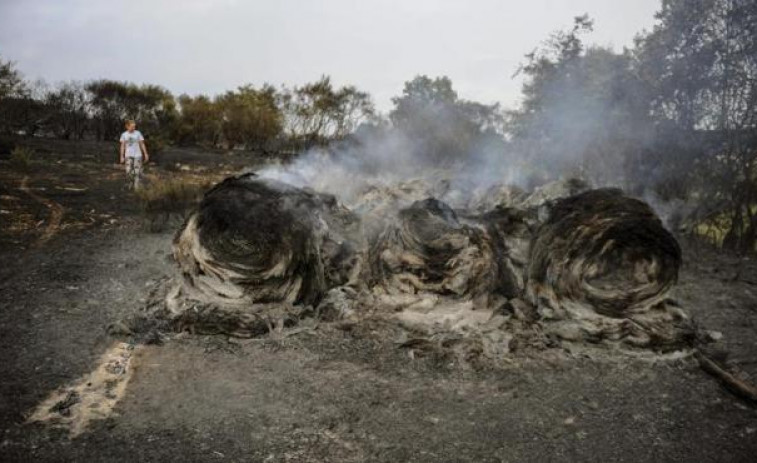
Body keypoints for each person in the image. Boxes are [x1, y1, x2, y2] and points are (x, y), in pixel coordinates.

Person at [119, 120, 149, 190]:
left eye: (134, 127)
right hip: (128, 155)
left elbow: (142, 144)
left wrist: (146, 153)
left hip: (138, 155)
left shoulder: (138, 133)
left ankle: (137, 187)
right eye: (132, 127)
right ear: (127, 126)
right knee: (128, 171)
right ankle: (130, 183)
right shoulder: (124, 135)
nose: (134, 128)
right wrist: (121, 156)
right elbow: (122, 146)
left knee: (137, 171)